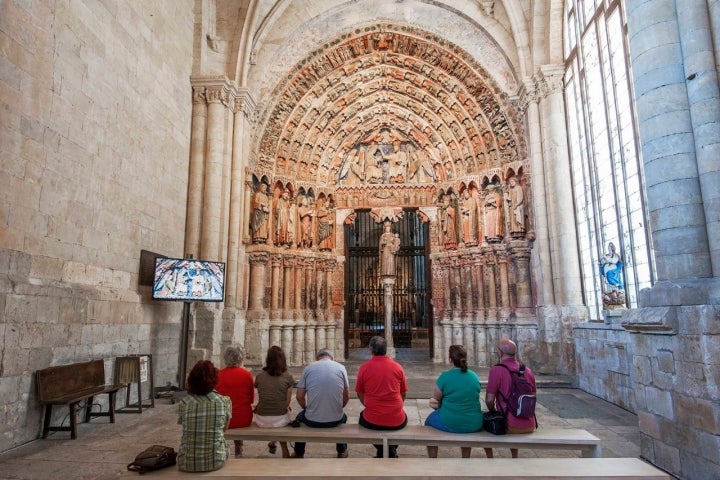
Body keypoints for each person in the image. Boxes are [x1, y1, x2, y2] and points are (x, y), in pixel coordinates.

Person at [425, 345, 483, 458]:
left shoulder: (445, 377)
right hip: (474, 422)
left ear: (450, 359)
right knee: (465, 416)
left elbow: (436, 399)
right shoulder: (474, 376)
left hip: (451, 421)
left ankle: (432, 459)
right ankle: (466, 457)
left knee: (428, 422)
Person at [355, 336, 408, 458]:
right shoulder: (397, 367)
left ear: (371, 350)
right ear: (386, 350)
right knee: (403, 418)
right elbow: (403, 392)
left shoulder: (364, 368)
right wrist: (396, 406)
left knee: (362, 420)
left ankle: (382, 451)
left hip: (372, 419)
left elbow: (359, 392)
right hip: (396, 419)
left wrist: (369, 405)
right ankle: (391, 450)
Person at [292, 348, 350, 458]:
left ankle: (299, 452)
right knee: (344, 417)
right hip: (336, 420)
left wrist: (306, 408)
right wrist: (339, 407)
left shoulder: (308, 368)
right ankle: (342, 451)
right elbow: (346, 395)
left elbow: (299, 396)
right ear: (332, 358)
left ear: (317, 358)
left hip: (312, 420)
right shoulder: (341, 368)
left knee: (300, 418)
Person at [484, 338, 537, 458]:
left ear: (501, 353)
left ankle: (490, 460)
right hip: (529, 424)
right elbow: (533, 397)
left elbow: (489, 400)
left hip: (509, 424)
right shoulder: (527, 371)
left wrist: (492, 411)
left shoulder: (496, 370)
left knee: (484, 423)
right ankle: (514, 456)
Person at [177, 360, 231, 472]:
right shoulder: (224, 402)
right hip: (215, 461)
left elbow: (185, 426)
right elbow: (224, 428)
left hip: (186, 463)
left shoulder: (184, 403)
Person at [254, 346, 295, 458]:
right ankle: (284, 449)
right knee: (284, 413)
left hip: (261, 419)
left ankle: (273, 442)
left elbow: (264, 396)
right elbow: (286, 403)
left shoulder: (259, 377)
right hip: (279, 419)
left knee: (275, 413)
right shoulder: (288, 377)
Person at [215, 346, 254, 458]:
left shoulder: (218, 375)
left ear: (225, 358)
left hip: (222, 419)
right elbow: (251, 400)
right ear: (241, 358)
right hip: (243, 419)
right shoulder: (247, 375)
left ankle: (226, 448)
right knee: (238, 408)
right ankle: (239, 447)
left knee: (228, 411)